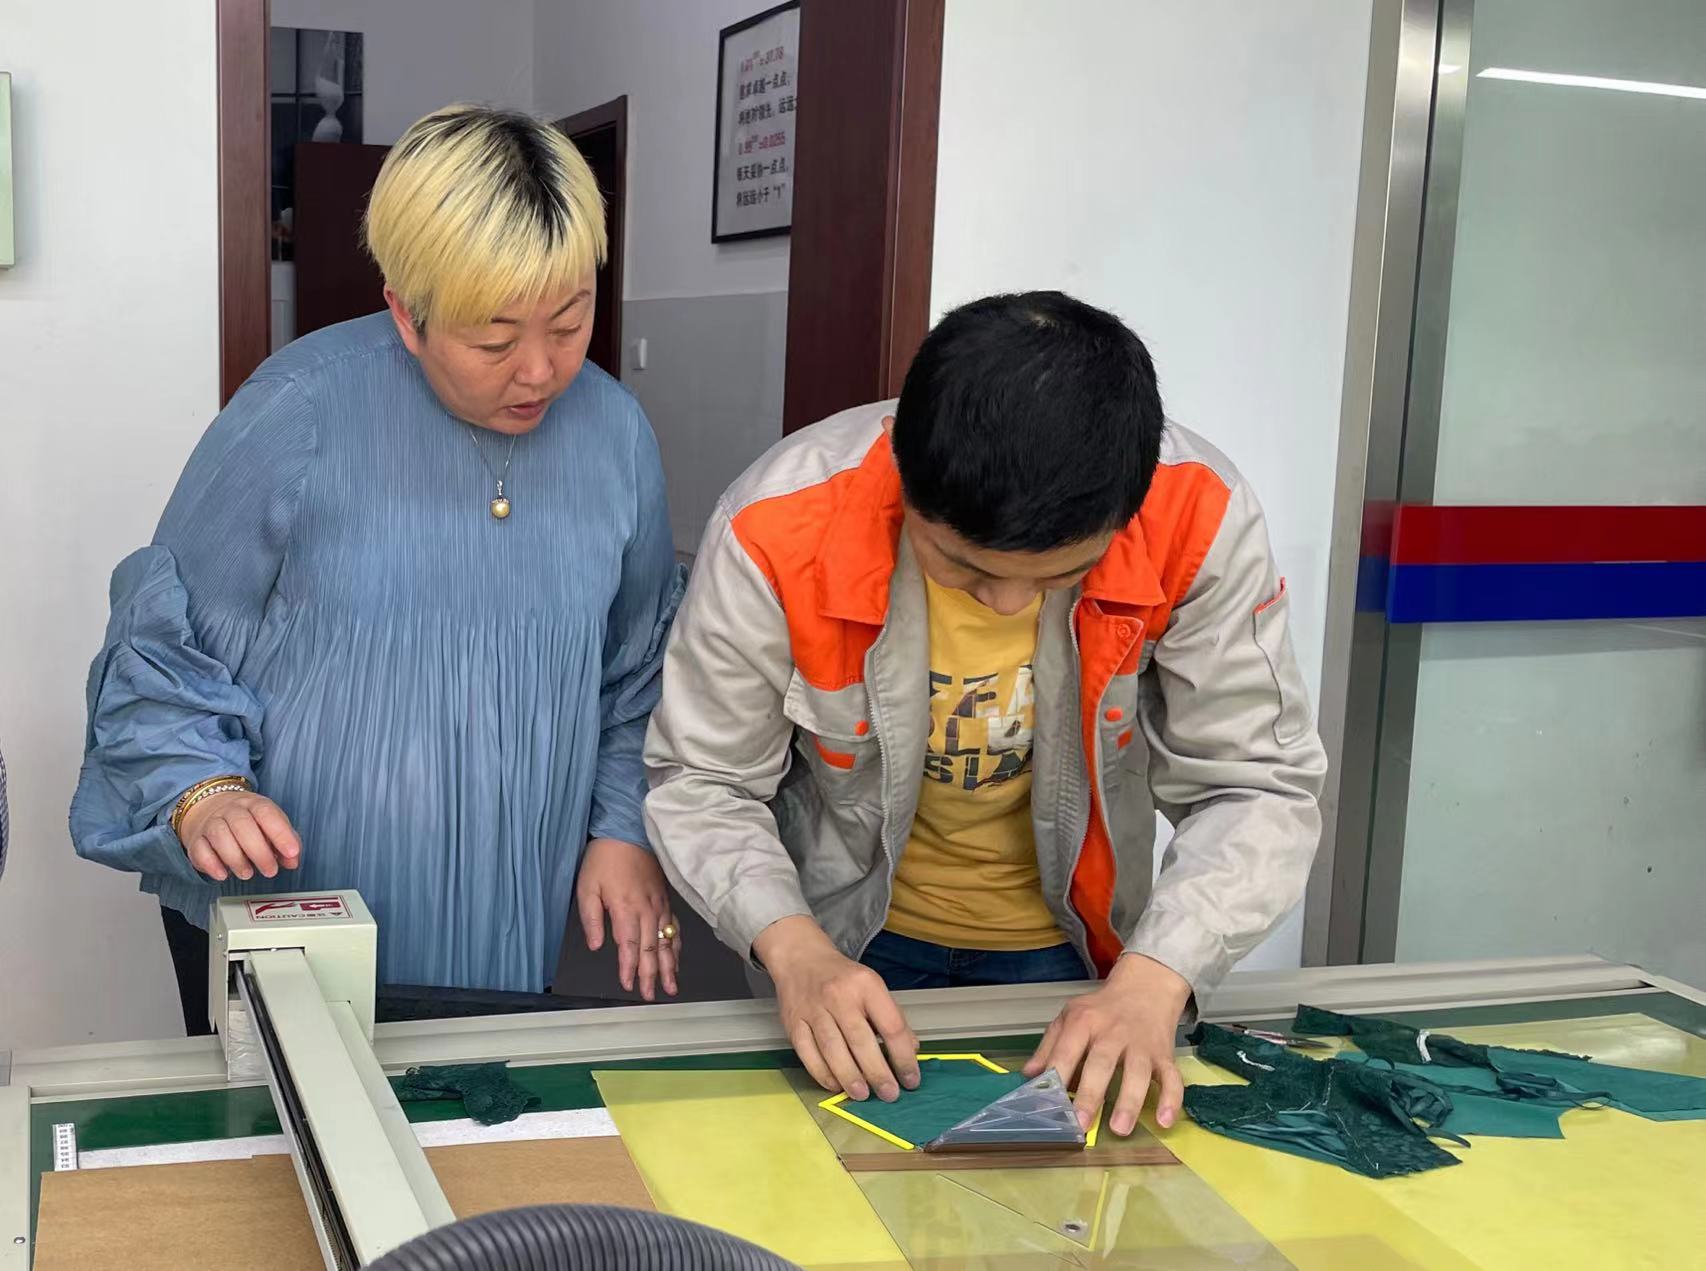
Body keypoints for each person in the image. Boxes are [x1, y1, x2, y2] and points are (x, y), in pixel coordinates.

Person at [644, 291, 1326, 1139]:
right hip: (844, 945)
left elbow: (1257, 786)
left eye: (1057, 575)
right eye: (962, 566)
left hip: (1083, 962)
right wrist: (793, 949)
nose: (1006, 604)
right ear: (904, 475)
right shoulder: (780, 524)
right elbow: (703, 779)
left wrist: (1157, 976)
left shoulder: (1194, 516)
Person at [72, 106, 684, 1034]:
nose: (539, 371)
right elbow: (159, 645)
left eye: (570, 322)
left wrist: (622, 825)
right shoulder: (297, 411)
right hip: (290, 907)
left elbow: (637, 667)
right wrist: (203, 792)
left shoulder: (617, 437)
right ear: (406, 312)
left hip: (502, 906)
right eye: (494, 340)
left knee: (469, 1103)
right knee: (289, 1121)